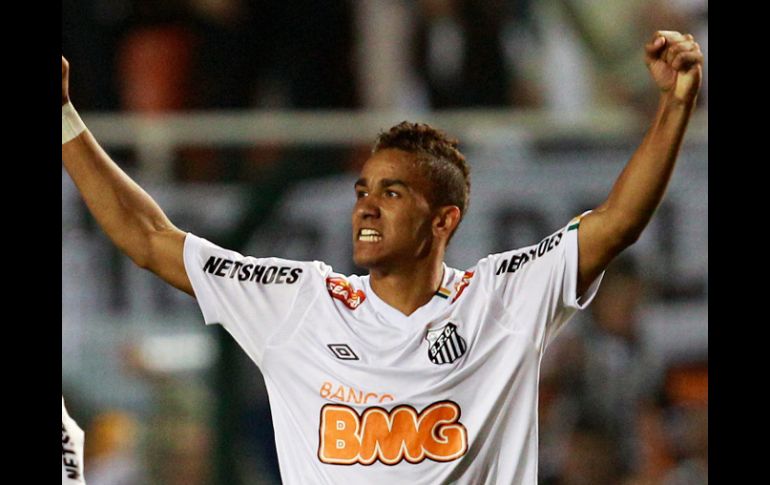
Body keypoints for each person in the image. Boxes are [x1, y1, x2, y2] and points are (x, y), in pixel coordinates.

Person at [61, 30, 702, 484]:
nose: (366, 206)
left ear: (443, 219)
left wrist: (675, 106)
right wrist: (66, 119)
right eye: (362, 190)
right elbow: (149, 238)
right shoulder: (299, 302)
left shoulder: (502, 300)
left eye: (392, 192)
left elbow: (616, 223)